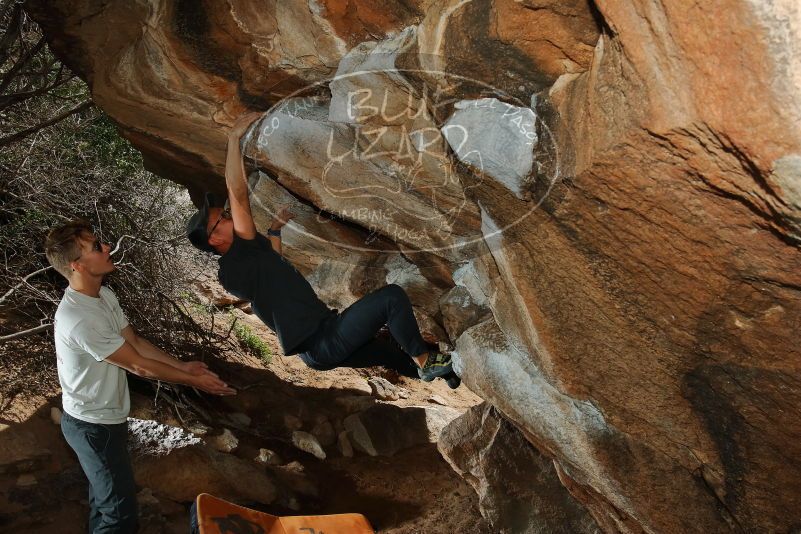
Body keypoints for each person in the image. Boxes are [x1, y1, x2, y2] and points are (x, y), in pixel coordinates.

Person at [186, 112, 459, 388]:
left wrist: (275, 230)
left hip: (322, 340)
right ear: (214, 239)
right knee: (392, 298)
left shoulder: (249, 257)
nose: (231, 216)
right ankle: (426, 363)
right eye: (224, 217)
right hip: (322, 342)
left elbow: (273, 263)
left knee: (387, 352)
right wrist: (234, 138)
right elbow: (238, 191)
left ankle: (447, 373)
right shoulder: (233, 266)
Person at [44, 220, 236, 533]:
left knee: (104, 504)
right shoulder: (80, 318)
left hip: (105, 421)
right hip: (93, 428)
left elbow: (135, 343)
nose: (107, 248)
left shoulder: (102, 296)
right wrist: (192, 381)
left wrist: (183, 366)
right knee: (119, 516)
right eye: (96, 247)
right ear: (77, 265)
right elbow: (138, 366)